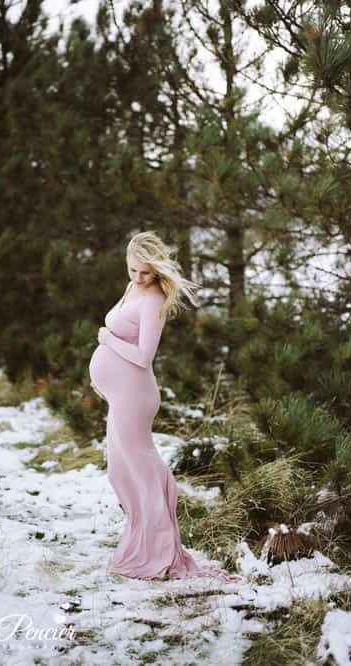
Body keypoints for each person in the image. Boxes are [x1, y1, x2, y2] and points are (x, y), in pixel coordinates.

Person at [88, 231, 243, 583]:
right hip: (120, 396)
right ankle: (141, 543)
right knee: (119, 471)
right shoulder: (132, 288)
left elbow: (143, 357)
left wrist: (107, 339)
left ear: (156, 270)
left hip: (136, 397)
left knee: (143, 471)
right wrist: (104, 382)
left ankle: (160, 551)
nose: (139, 278)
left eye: (145, 272)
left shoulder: (154, 299)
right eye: (132, 270)